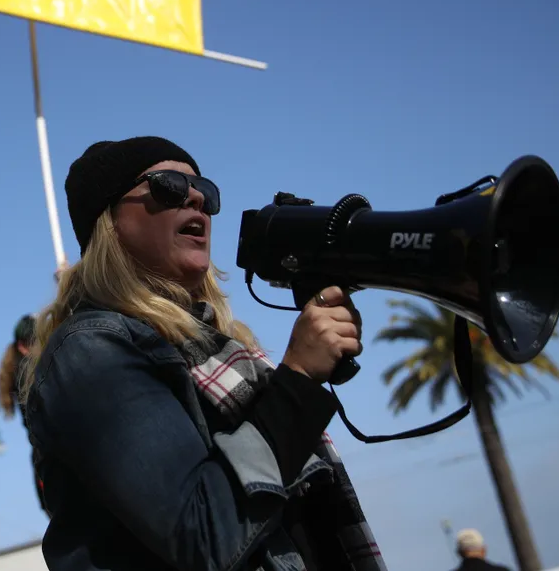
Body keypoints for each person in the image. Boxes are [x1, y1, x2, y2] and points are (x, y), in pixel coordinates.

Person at [19, 136, 385, 570]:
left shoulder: (221, 353)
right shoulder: (88, 351)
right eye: (167, 185)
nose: (195, 197)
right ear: (110, 221)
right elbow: (201, 533)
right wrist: (299, 381)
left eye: (204, 189)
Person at [0, 313, 47, 514]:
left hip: (43, 465)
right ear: (24, 346)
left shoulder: (19, 374)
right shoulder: (32, 372)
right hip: (55, 462)